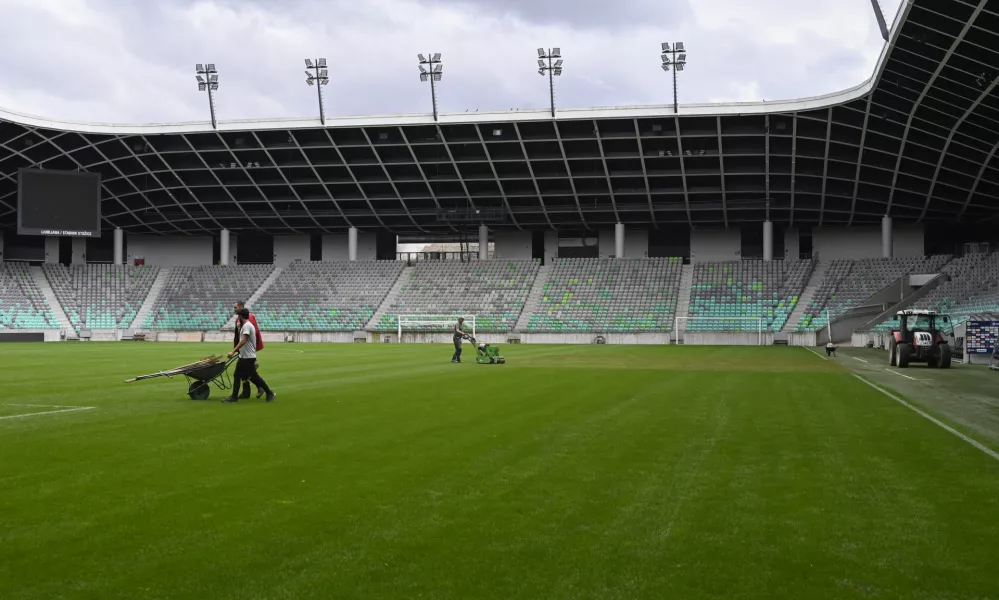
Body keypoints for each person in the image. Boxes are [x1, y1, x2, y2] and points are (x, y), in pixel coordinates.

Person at [224, 307, 275, 403]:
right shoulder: (246, 325)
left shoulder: (247, 326)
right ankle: (234, 396)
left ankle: (269, 393)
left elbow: (243, 340)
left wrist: (233, 351)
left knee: (252, 376)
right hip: (245, 356)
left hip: (248, 357)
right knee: (241, 375)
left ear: (241, 316)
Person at [233, 300, 264, 398]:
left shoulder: (249, 317)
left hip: (248, 350)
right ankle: (247, 392)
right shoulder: (238, 319)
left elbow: (255, 333)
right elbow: (237, 335)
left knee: (248, 372)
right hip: (243, 349)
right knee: (244, 372)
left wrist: (255, 349)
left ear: (241, 307)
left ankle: (263, 388)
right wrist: (236, 348)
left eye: (235, 307)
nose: (234, 309)